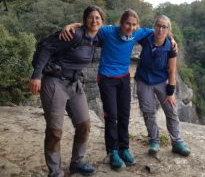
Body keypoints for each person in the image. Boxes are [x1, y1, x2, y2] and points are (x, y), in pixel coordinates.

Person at [60, 9, 177, 170]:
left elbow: (161, 31)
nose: (131, 27)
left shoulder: (139, 33)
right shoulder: (109, 31)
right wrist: (71, 26)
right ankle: (113, 152)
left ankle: (124, 148)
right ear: (121, 23)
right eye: (128, 23)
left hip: (123, 78)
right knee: (111, 116)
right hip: (107, 78)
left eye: (134, 24)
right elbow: (89, 25)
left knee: (124, 115)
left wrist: (172, 39)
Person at [29, 5, 105, 176]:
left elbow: (125, 32)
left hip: (74, 83)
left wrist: (169, 39)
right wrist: (36, 76)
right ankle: (55, 171)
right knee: (55, 131)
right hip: (54, 82)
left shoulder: (97, 38)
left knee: (84, 124)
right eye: (90, 17)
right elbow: (47, 48)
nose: (94, 20)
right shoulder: (75, 34)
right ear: (85, 20)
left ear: (102, 21)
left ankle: (77, 162)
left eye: (98, 18)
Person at [135, 15, 191, 157]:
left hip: (161, 81)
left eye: (164, 27)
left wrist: (170, 92)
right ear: (154, 27)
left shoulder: (170, 47)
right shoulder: (146, 38)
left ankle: (177, 142)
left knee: (170, 110)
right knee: (148, 112)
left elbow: (172, 70)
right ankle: (154, 140)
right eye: (158, 26)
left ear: (168, 30)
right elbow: (130, 30)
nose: (160, 29)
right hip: (144, 80)